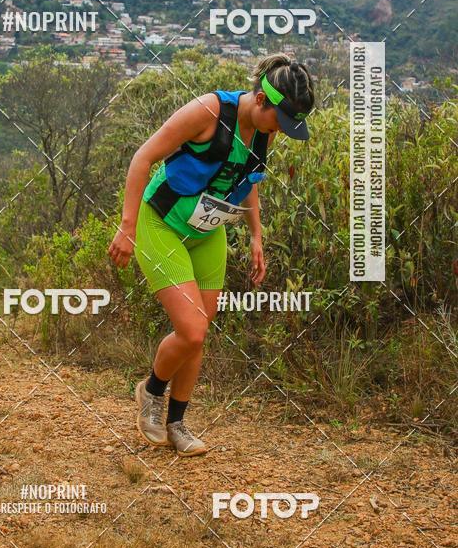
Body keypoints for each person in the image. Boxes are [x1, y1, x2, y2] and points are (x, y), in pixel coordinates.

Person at [109, 54, 315, 457]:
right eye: (280, 121)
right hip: (162, 223)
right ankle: (150, 392)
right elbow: (143, 158)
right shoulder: (207, 111)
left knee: (199, 331)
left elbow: (248, 178)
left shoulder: (265, 130)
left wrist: (257, 236)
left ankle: (177, 424)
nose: (282, 132)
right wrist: (127, 226)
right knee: (192, 330)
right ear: (260, 100)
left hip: (208, 232)